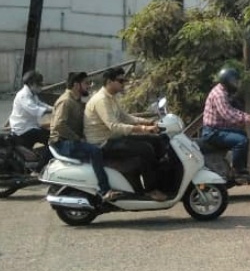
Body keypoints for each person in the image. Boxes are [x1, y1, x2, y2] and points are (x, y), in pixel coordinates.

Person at [84, 66, 168, 200]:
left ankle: (160, 180)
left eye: (124, 80)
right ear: (109, 82)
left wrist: (148, 122)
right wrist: (143, 128)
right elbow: (114, 127)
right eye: (120, 81)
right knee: (146, 149)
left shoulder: (111, 97)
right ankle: (151, 190)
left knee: (157, 140)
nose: (124, 84)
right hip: (103, 143)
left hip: (114, 139)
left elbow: (125, 117)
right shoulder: (101, 100)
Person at [49, 72, 121, 202]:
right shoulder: (66, 101)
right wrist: (78, 138)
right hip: (62, 143)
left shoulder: (76, 101)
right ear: (76, 85)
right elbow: (59, 125)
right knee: (95, 151)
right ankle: (104, 190)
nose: (89, 86)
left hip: (70, 140)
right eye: (86, 83)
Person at [201, 67, 250, 182]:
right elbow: (228, 114)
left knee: (243, 135)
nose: (236, 84)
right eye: (235, 82)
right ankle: (238, 171)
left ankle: (242, 169)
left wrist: (247, 117)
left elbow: (231, 110)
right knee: (241, 141)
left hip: (217, 129)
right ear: (228, 82)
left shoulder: (224, 91)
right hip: (212, 132)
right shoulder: (219, 94)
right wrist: (249, 118)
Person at [8, 70, 52, 150]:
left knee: (49, 135)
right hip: (23, 129)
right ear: (32, 84)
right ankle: (44, 161)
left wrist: (53, 108)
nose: (41, 87)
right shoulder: (23, 95)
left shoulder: (32, 94)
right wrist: (52, 111)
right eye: (39, 85)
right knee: (51, 139)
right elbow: (35, 110)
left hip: (30, 126)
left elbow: (40, 104)